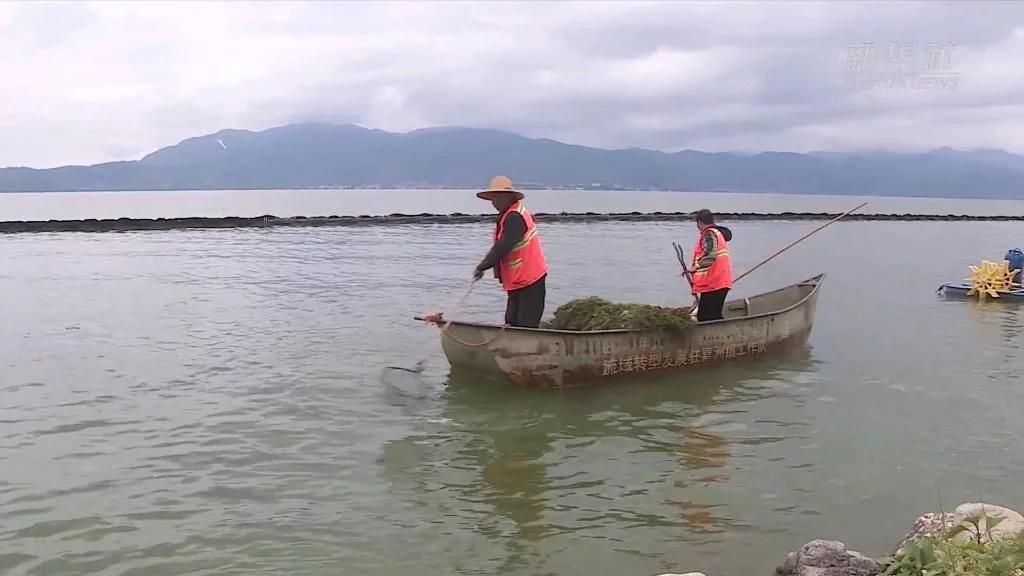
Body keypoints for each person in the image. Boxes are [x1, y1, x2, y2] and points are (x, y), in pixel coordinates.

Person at [472, 175, 549, 328]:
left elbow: (503, 246)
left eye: (497, 197)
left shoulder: (514, 217)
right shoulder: (507, 214)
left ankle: (527, 350)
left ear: (507, 197)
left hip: (530, 278)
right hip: (517, 280)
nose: (494, 202)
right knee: (511, 321)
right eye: (492, 198)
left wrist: (482, 266)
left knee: (526, 324)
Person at [691, 208, 733, 322]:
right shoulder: (717, 233)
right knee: (712, 315)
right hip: (719, 281)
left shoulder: (709, 234)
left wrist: (696, 267)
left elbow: (710, 254)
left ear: (699, 222)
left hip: (714, 283)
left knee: (705, 317)